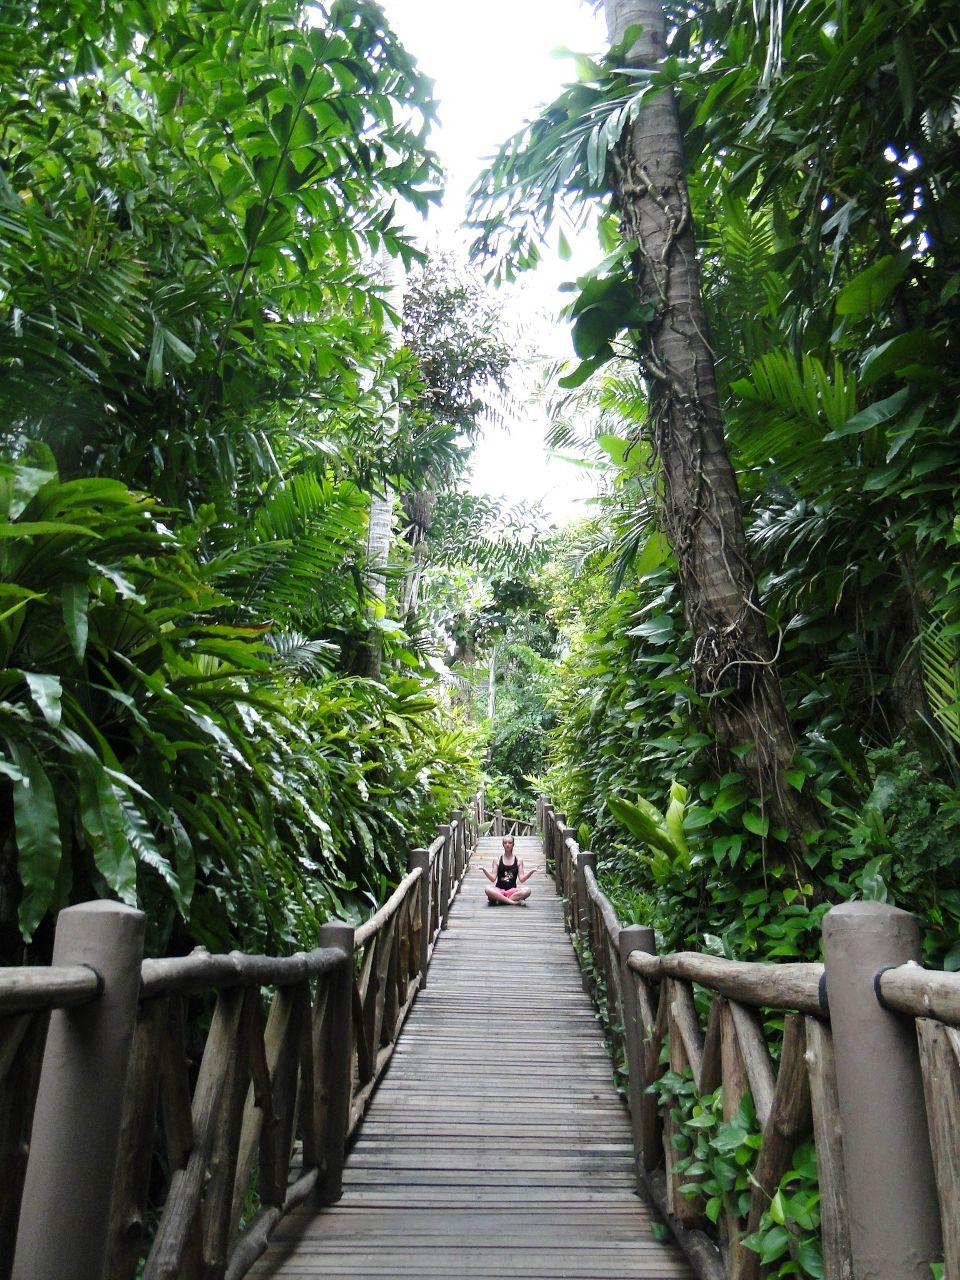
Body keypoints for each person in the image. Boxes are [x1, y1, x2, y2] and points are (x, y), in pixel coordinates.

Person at [480, 835, 538, 905]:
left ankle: (501, 900)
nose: (507, 845)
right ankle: (512, 902)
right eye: (505, 843)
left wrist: (531, 871)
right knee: (487, 889)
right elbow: (493, 879)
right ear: (503, 844)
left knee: (527, 891)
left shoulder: (519, 860)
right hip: (499, 890)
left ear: (513, 844)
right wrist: (484, 869)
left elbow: (522, 879)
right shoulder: (497, 860)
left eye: (510, 843)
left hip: (512, 891)